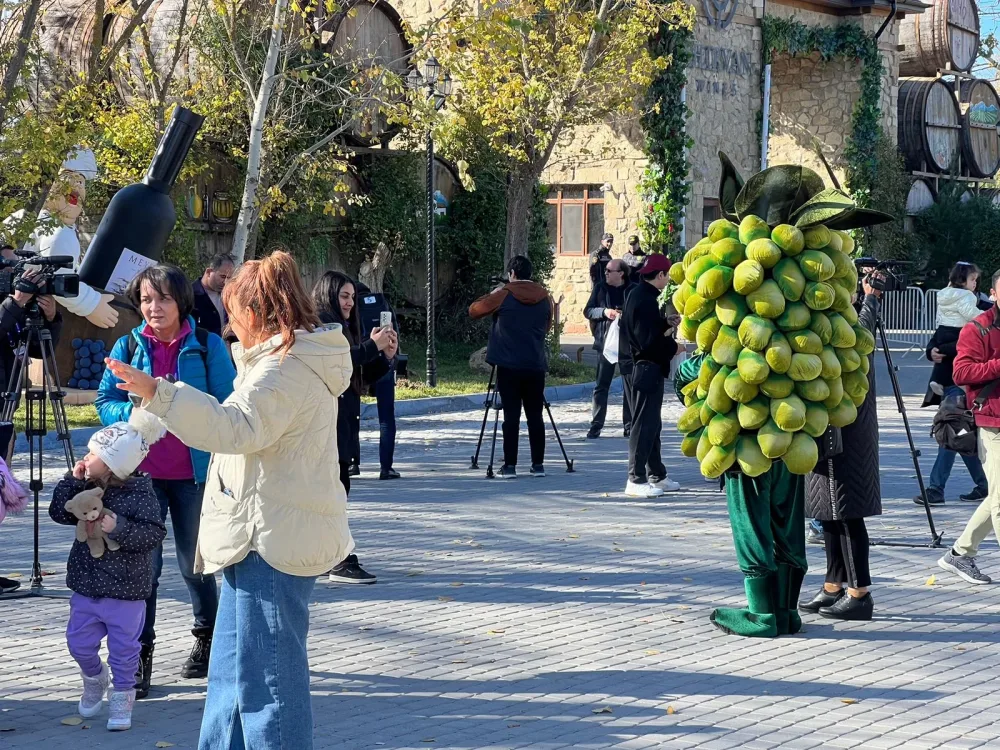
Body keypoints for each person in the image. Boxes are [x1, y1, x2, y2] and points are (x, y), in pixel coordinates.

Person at [107, 250, 355, 750]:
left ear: (257, 313)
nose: (228, 322)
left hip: (271, 540)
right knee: (231, 679)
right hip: (261, 535)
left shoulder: (283, 369)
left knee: (268, 684)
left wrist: (160, 393)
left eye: (234, 311)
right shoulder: (281, 362)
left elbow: (233, 428)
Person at [96, 264, 236, 699]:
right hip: (140, 478)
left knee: (196, 565)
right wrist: (134, 412)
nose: (153, 307)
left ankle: (208, 640)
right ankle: (138, 656)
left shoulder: (207, 345)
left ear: (182, 302)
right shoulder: (127, 345)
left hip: (194, 475)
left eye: (163, 299)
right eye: (145, 299)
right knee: (144, 571)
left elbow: (226, 402)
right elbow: (104, 401)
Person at [47, 410, 167, 731]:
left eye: (93, 453)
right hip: (87, 585)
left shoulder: (141, 494)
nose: (86, 457)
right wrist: (72, 481)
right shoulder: (85, 486)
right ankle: (94, 678)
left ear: (113, 463)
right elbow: (59, 513)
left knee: (124, 651)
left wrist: (120, 528)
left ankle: (122, 696)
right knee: (78, 643)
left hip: (126, 590)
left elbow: (154, 534)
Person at [800, 278, 882, 621]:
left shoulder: (850, 331)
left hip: (848, 435)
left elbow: (862, 334)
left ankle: (859, 592)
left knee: (847, 513)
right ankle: (833, 584)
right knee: (828, 513)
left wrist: (871, 300)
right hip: (826, 431)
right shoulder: (826, 324)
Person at [312, 271, 397, 584]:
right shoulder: (321, 323)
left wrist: (384, 357)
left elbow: (355, 377)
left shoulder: (344, 325)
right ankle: (339, 560)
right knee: (333, 495)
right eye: (344, 296)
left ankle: (326, 557)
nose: (349, 303)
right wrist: (372, 346)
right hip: (326, 426)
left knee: (335, 493)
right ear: (329, 295)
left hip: (343, 423)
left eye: (352, 297)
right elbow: (340, 360)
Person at [938, 268, 1000, 586]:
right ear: (993, 293)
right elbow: (961, 373)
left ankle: (960, 553)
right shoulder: (978, 328)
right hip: (993, 423)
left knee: (997, 495)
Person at [469, 255, 553, 479]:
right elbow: (547, 326)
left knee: (511, 416)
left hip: (508, 364)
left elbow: (474, 310)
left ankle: (510, 466)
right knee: (535, 415)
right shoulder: (544, 296)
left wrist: (494, 293)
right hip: (535, 363)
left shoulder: (504, 294)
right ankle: (538, 465)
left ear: (512, 274)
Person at [916, 262, 990, 506]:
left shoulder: (974, 306)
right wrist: (932, 350)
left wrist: (940, 349)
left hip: (959, 380)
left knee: (951, 431)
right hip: (952, 378)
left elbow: (959, 341)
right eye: (972, 280)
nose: (975, 284)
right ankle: (984, 484)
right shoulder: (967, 305)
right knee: (958, 433)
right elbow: (943, 334)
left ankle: (937, 488)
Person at [619, 253, 680, 497]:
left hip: (646, 367)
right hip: (645, 367)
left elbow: (646, 328)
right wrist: (675, 347)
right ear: (661, 274)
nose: (668, 279)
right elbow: (647, 342)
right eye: (668, 275)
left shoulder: (640, 294)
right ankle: (635, 479)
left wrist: (665, 323)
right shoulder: (645, 299)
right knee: (643, 424)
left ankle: (657, 474)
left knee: (652, 423)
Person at [356, 280, 401, 480]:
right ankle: (386, 467)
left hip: (360, 362)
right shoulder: (383, 303)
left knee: (352, 415)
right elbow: (394, 331)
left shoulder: (351, 307)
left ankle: (352, 463)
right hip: (383, 360)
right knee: (386, 417)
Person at [584, 258, 632, 439]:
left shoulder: (632, 289)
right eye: (605, 270)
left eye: (609, 271)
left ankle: (629, 425)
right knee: (601, 385)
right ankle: (596, 425)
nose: (605, 273)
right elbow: (588, 311)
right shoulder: (600, 288)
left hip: (628, 345)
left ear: (621, 273)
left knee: (629, 386)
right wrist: (604, 312)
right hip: (606, 343)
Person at [191, 253, 235, 338]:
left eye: (229, 278)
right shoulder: (190, 296)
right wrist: (219, 333)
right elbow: (188, 330)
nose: (226, 282)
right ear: (208, 272)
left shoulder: (230, 294)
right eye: (223, 276)